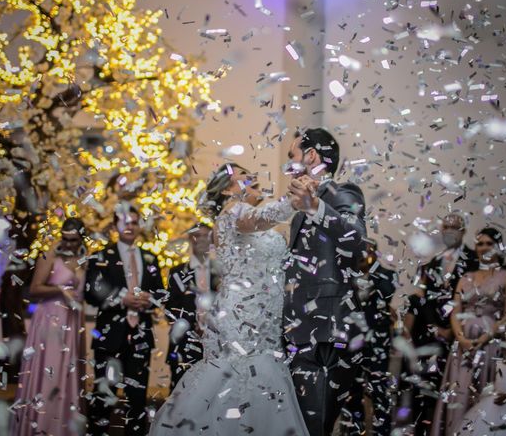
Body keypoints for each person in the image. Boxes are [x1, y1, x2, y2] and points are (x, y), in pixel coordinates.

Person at [149, 163, 309, 435]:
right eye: (243, 176)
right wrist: (295, 201)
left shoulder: (259, 223)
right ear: (226, 190)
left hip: (266, 319)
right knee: (238, 384)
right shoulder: (232, 212)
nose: (250, 176)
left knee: (262, 385)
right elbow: (258, 219)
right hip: (241, 316)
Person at [283, 128, 367, 436]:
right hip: (296, 332)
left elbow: (357, 240)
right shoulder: (295, 216)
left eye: (292, 157)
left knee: (315, 424)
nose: (288, 166)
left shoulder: (343, 194)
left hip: (327, 330)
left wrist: (315, 207)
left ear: (311, 156)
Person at [431, 227, 506, 436]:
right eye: (480, 243)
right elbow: (455, 311)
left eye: (489, 243)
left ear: (498, 247)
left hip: (491, 344)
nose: (484, 248)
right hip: (463, 346)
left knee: (483, 395)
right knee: (459, 394)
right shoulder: (466, 277)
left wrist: (488, 334)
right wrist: (461, 338)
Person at [86, 205, 165, 436]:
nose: (129, 226)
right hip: (110, 336)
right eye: (124, 222)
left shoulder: (150, 257)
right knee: (103, 397)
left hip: (140, 336)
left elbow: (161, 293)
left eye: (133, 222)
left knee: (137, 401)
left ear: (139, 226)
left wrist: (149, 300)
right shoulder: (101, 256)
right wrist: (122, 298)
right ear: (115, 227)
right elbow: (91, 292)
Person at [10, 217, 88, 436]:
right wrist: (61, 290)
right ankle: (40, 425)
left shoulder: (84, 258)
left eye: (74, 240)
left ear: (81, 238)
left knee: (67, 373)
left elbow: (82, 295)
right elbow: (34, 289)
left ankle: (62, 426)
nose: (69, 244)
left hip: (72, 322)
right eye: (65, 239)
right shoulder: (50, 254)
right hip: (51, 319)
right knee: (49, 371)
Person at [404, 212, 478, 435]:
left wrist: (454, 330)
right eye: (445, 227)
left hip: (463, 337)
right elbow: (422, 300)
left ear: (463, 231)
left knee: (459, 393)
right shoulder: (429, 265)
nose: (449, 231)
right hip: (433, 337)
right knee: (429, 393)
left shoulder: (475, 261)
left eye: (454, 227)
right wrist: (435, 327)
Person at [340, 240, 398, 436]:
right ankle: (354, 430)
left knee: (379, 390)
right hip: (351, 342)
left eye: (367, 251)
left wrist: (372, 269)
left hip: (377, 343)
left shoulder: (387, 274)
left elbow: (387, 293)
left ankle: (382, 431)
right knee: (352, 390)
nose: (363, 255)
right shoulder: (346, 276)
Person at [165, 222, 219, 389]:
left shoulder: (221, 272)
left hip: (216, 342)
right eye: (198, 235)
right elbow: (170, 309)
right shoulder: (177, 272)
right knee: (181, 391)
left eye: (206, 236)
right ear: (190, 239)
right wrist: (194, 323)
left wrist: (211, 324)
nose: (202, 240)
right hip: (185, 341)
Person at [457, 321, 506, 436]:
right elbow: (496, 385)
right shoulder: (499, 364)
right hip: (494, 406)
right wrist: (481, 397)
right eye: (503, 340)